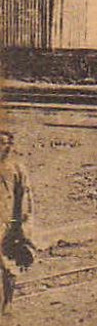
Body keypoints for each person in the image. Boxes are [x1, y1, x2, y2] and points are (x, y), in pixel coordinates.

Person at [0, 127, 33, 314]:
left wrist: (21, 224)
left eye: (3, 143)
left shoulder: (17, 169)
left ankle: (8, 302)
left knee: (7, 264)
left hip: (7, 223)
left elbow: (24, 197)